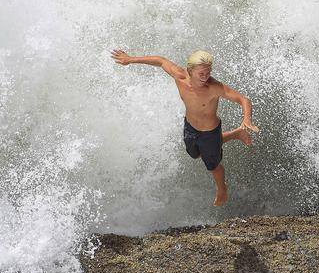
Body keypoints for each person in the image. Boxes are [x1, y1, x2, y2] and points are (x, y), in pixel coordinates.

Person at [111, 49, 259, 206]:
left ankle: (222, 189)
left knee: (212, 165)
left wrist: (247, 119)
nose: (205, 76)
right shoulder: (179, 75)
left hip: (210, 132)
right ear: (190, 70)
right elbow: (160, 60)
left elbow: (244, 99)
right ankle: (236, 134)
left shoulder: (214, 87)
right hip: (190, 127)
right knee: (195, 154)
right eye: (201, 73)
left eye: (208, 72)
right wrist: (130, 59)